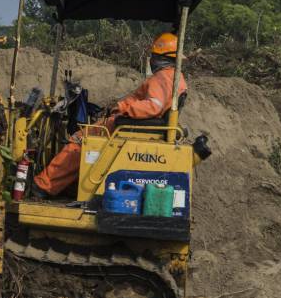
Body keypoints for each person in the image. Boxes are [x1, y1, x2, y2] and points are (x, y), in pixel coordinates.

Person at [32, 32, 186, 196]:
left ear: (160, 57)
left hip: (129, 125)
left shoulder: (162, 78)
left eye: (154, 55)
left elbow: (152, 106)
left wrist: (122, 108)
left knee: (79, 141)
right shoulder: (175, 78)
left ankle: (43, 186)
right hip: (138, 124)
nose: (151, 59)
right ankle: (70, 185)